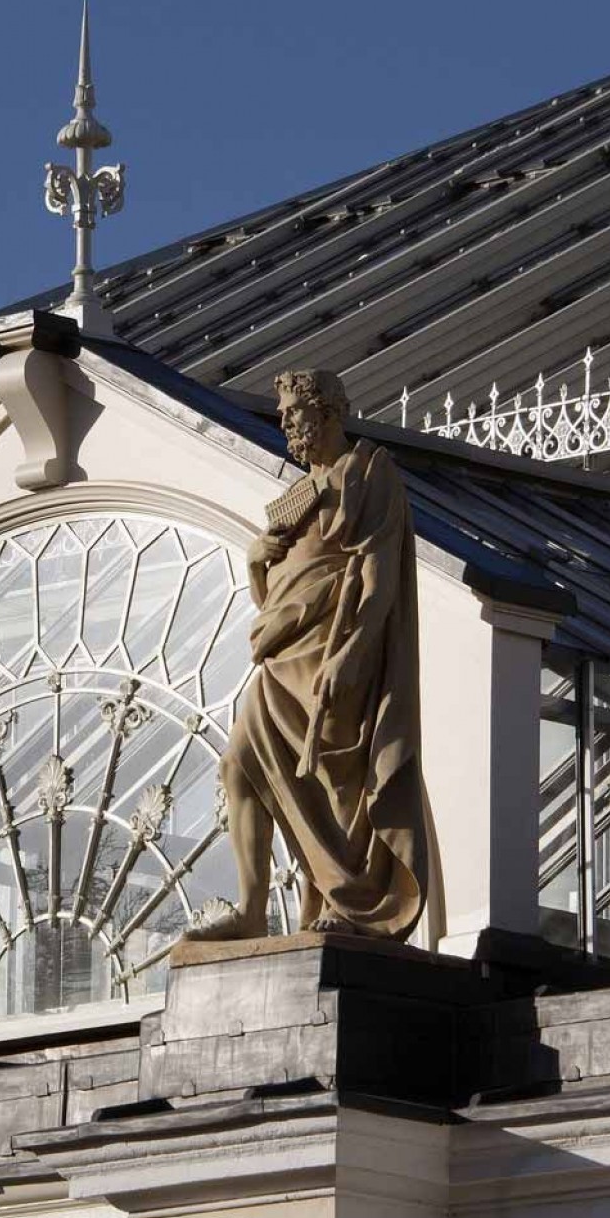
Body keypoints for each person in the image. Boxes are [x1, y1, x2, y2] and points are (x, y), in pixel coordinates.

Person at [189, 369, 435, 941]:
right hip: (283, 660)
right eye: (282, 415)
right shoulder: (299, 492)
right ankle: (252, 911)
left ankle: (349, 903)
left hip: (335, 652)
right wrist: (256, 562)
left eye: (294, 413)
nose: (285, 425)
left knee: (336, 783)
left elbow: (378, 584)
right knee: (239, 765)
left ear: (328, 413)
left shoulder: (370, 474)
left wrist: (351, 655)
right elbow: (276, 597)